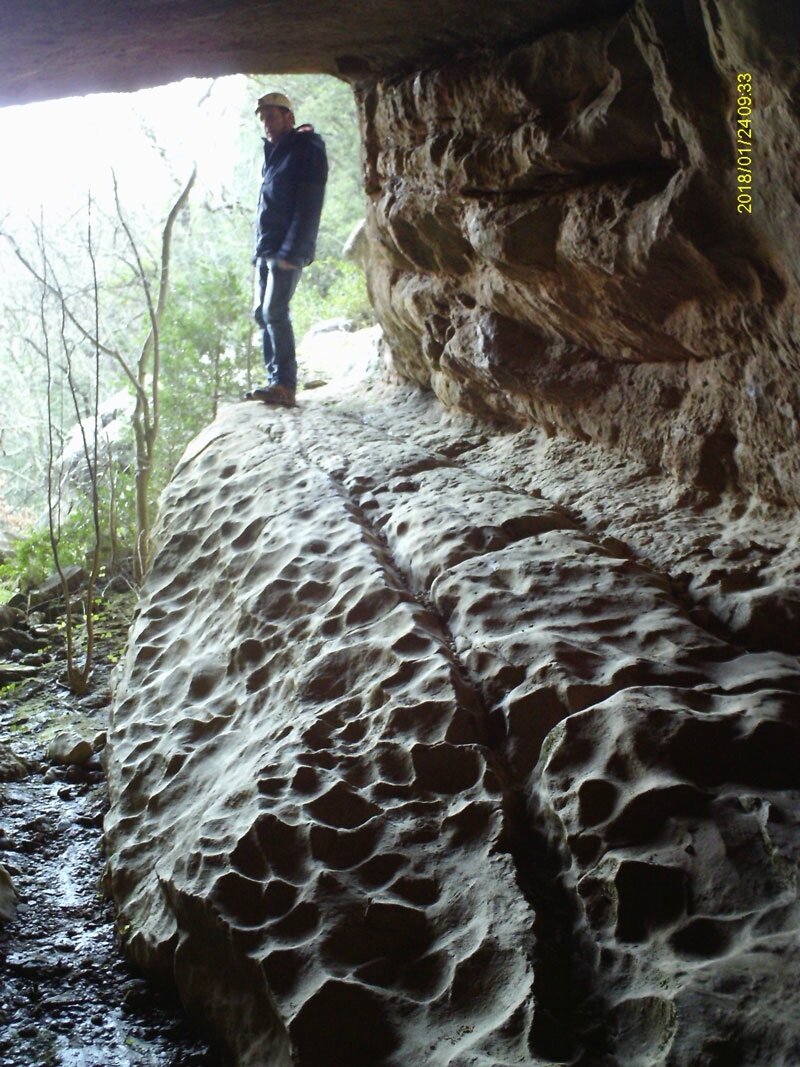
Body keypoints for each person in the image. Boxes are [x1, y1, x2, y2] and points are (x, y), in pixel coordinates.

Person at [246, 91, 328, 407]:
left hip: (287, 248)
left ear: (288, 117)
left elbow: (309, 203)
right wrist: (258, 252)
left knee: (275, 311)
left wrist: (293, 250)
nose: (266, 123)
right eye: (262, 118)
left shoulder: (305, 149)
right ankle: (274, 381)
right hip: (267, 247)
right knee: (262, 313)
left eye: (271, 116)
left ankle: (285, 385)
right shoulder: (275, 153)